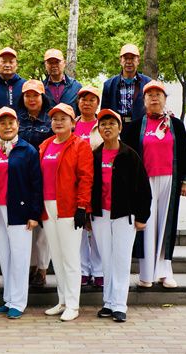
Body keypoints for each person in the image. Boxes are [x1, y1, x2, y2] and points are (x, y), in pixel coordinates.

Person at [122, 80, 186, 289]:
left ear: (165, 99)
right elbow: (126, 156)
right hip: (144, 183)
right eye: (150, 94)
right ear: (143, 100)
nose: (154, 98)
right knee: (146, 224)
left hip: (169, 180)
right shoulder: (135, 127)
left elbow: (185, 152)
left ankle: (164, 271)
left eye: (158, 94)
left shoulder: (175, 124)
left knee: (166, 225)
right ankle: (145, 273)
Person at [89, 109, 151, 323]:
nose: (107, 128)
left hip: (125, 215)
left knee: (121, 260)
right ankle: (108, 302)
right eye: (103, 124)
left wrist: (142, 216)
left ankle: (120, 305)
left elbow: (144, 188)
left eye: (111, 124)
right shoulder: (95, 155)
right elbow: (89, 187)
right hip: (100, 216)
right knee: (106, 259)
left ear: (119, 128)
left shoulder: (129, 155)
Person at [0, 107, 43, 319]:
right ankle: (8, 299)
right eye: (2, 123)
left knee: (19, 256)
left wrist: (34, 214)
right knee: (5, 256)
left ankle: (19, 301)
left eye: (11, 123)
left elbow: (37, 184)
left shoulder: (28, 150)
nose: (7, 126)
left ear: (17, 125)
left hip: (20, 211)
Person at [39, 103, 93, 322]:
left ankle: (73, 304)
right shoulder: (45, 145)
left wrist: (82, 207)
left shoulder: (80, 145)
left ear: (73, 122)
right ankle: (62, 300)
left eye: (63, 118)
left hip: (69, 208)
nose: (58, 122)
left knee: (70, 258)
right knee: (57, 257)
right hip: (48, 207)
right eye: (55, 119)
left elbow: (86, 178)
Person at [15, 79, 52, 289]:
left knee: (43, 228)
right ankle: (29, 266)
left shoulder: (50, 120)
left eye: (35, 95)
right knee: (27, 224)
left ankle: (42, 268)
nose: (31, 99)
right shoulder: (17, 119)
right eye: (27, 95)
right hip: (22, 178)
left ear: (42, 97)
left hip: (44, 177)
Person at [73, 86, 104, 288]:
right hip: (75, 183)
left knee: (97, 228)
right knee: (80, 229)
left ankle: (99, 271)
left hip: (99, 182)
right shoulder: (72, 123)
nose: (87, 103)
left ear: (97, 104)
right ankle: (83, 270)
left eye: (92, 99)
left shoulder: (104, 124)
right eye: (83, 99)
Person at [100, 44, 152, 130]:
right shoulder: (109, 84)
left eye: (132, 58)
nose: (129, 62)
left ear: (138, 60)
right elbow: (104, 112)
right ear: (120, 60)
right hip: (116, 129)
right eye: (125, 58)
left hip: (141, 128)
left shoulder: (148, 83)